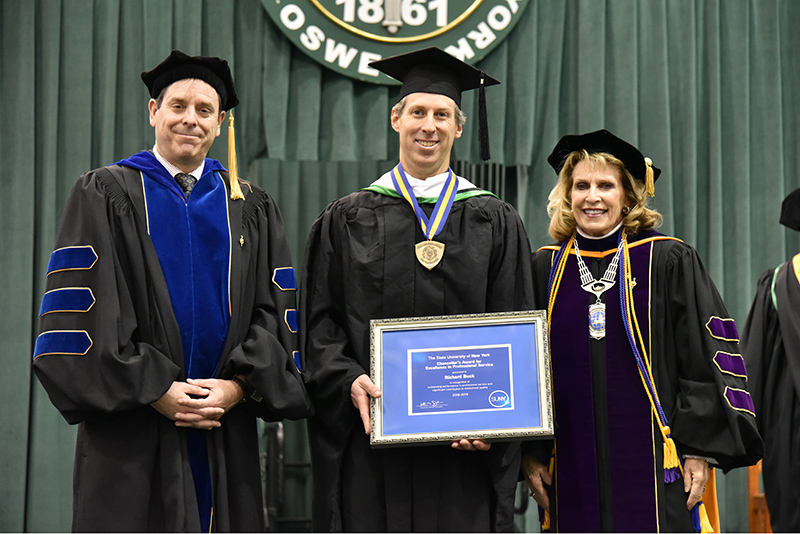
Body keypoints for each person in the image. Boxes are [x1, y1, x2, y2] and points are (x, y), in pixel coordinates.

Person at [32, 50, 312, 532]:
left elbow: (274, 313)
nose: (190, 119)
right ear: (153, 111)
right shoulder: (105, 192)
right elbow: (84, 315)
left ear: (221, 122)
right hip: (132, 429)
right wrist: (154, 387)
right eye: (178, 105)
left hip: (223, 421)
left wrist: (237, 386)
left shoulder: (250, 205)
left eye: (205, 110)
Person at [300, 47, 534, 532]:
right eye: (419, 113)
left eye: (442, 115)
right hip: (374, 438)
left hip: (463, 450)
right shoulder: (347, 219)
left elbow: (515, 323)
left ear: (459, 126)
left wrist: (496, 416)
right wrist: (347, 380)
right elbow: (319, 325)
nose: (430, 126)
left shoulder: (493, 219)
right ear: (396, 118)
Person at [522, 129, 763, 532]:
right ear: (567, 195)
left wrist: (698, 451)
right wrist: (529, 454)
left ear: (629, 196)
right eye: (581, 185)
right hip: (568, 466)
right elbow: (525, 373)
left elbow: (703, 360)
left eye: (606, 185)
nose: (592, 197)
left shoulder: (667, 259)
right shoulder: (544, 269)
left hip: (659, 466)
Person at [741, 187, 800, 532]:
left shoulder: (778, 282)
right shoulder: (776, 285)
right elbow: (754, 367)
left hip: (787, 440)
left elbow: (752, 367)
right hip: (788, 439)